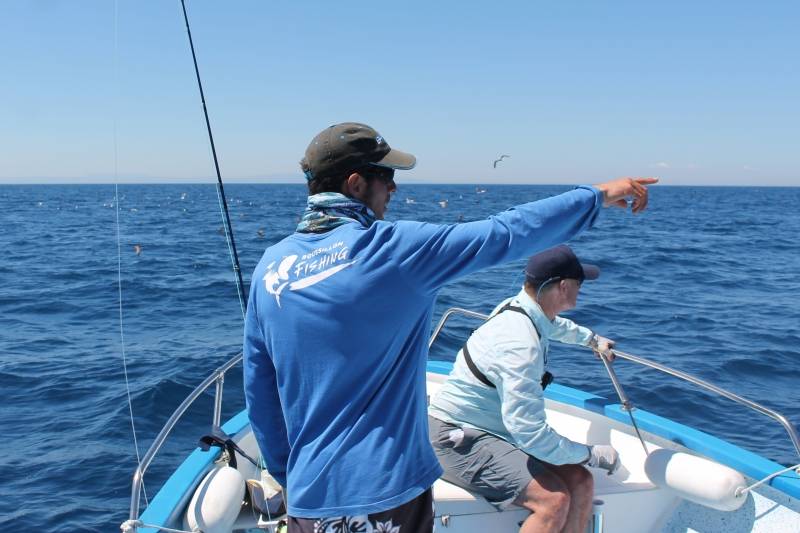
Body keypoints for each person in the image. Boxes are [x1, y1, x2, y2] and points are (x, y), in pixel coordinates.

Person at [243, 121, 656, 532]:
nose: (394, 189)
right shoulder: (391, 249)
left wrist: (288, 473)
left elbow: (259, 390)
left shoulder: (269, 268)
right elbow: (506, 233)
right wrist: (597, 196)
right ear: (355, 184)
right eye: (386, 177)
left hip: (308, 497)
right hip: (384, 493)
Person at [428, 245, 620, 533]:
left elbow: (554, 326)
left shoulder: (521, 309)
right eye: (580, 284)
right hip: (456, 437)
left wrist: (592, 339)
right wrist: (590, 454)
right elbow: (528, 433)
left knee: (581, 482)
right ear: (564, 286)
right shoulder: (521, 345)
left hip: (492, 432)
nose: (582, 290)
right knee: (553, 501)